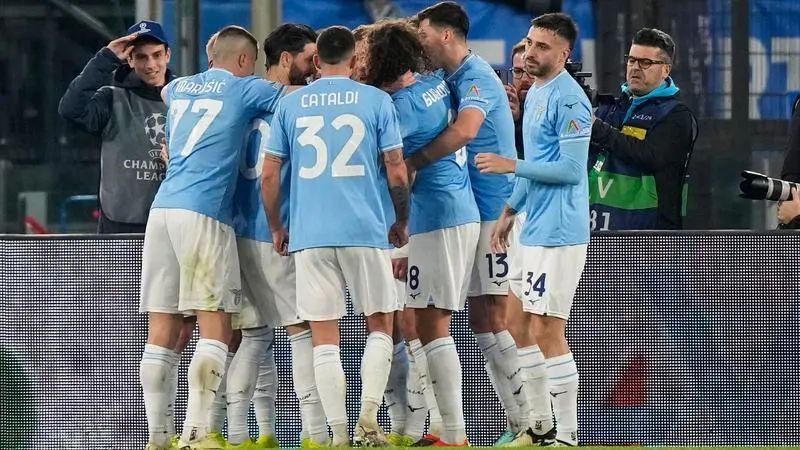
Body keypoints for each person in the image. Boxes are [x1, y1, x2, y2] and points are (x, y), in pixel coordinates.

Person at [138, 25, 286, 450]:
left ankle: (158, 438)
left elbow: (166, 96)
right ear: (243, 60)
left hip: (161, 212)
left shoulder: (179, 87)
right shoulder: (245, 88)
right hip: (204, 214)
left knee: (161, 331)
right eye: (252, 63)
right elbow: (294, 98)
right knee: (216, 328)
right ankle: (197, 433)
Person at [261, 26, 410, 447]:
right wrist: (401, 219)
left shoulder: (291, 105)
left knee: (324, 336)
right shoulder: (376, 101)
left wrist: (277, 226)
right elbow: (396, 169)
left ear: (316, 60)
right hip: (365, 229)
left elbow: (269, 175)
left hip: (310, 232)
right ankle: (369, 422)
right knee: (380, 323)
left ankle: (339, 435)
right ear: (355, 59)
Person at [411, 1, 530, 442]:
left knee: (497, 316)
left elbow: (465, 131)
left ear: (446, 34)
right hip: (471, 210)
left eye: (424, 34)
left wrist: (414, 161)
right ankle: (516, 423)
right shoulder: (449, 78)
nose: (420, 42)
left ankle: (531, 423)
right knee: (482, 317)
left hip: (496, 209)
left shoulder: (477, 75)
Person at [476, 13, 592, 447]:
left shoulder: (570, 100)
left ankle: (568, 436)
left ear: (564, 54)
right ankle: (539, 427)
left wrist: (511, 165)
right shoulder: (538, 92)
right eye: (528, 43)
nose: (530, 52)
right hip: (531, 225)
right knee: (514, 320)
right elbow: (538, 163)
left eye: (542, 46)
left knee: (546, 329)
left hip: (558, 231)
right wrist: (510, 209)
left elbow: (570, 170)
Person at [366, 19, 480, 447]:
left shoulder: (400, 110)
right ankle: (441, 429)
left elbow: (388, 166)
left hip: (437, 216)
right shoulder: (432, 84)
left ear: (381, 61)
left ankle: (455, 434)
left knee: (433, 324)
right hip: (453, 207)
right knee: (422, 320)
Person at [225, 23, 329, 449]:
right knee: (303, 330)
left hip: (238, 229)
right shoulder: (298, 105)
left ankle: (238, 434)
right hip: (276, 231)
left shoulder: (241, 102)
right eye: (308, 58)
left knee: (254, 335)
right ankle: (316, 434)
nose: (315, 66)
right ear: (285, 59)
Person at [58, 21, 173, 233]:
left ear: (168, 55)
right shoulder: (111, 99)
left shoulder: (186, 101)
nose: (150, 65)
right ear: (129, 59)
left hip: (172, 223)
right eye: (141, 57)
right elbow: (70, 109)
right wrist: (106, 58)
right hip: (119, 224)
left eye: (156, 55)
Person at [589, 28, 697, 230]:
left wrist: (598, 129)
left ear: (666, 70)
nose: (635, 68)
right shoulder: (610, 108)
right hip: (597, 228)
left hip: (650, 236)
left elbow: (651, 156)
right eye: (631, 60)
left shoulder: (676, 115)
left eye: (645, 62)